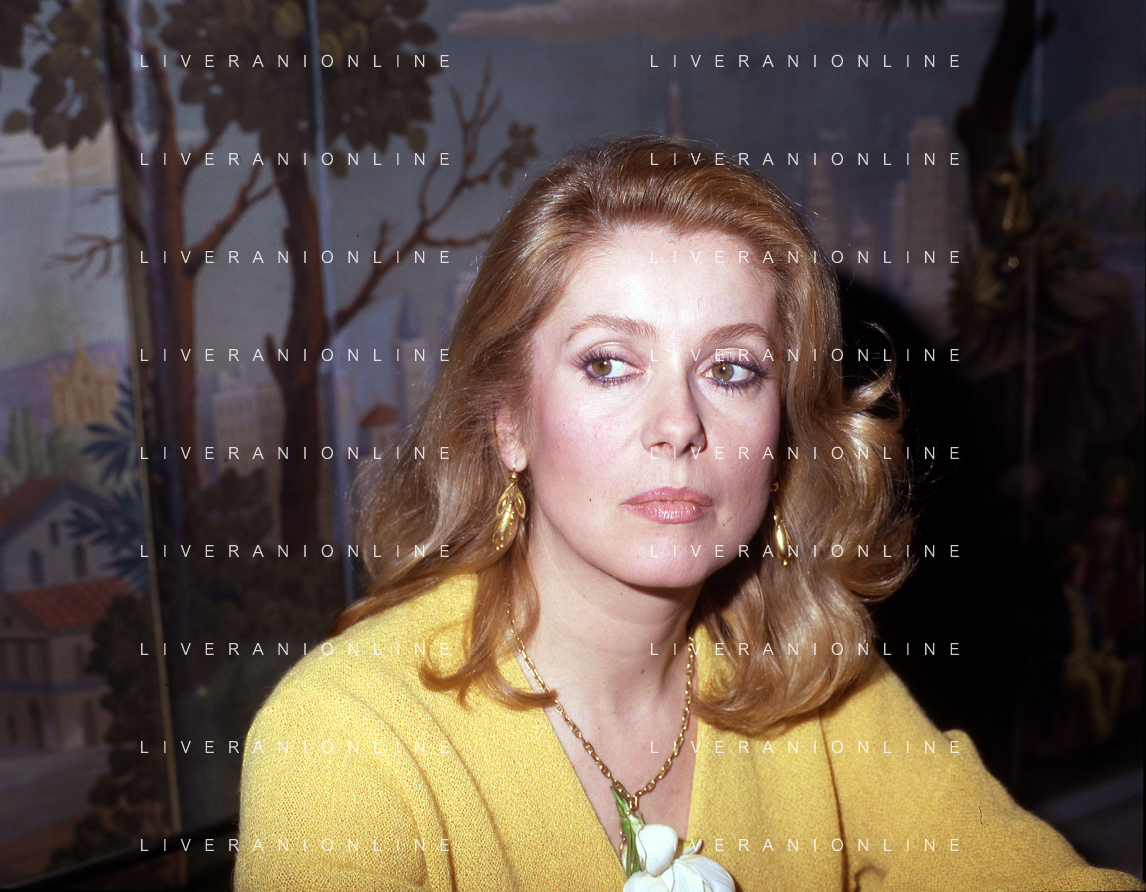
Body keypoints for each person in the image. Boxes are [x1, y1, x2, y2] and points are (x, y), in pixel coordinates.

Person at [233, 136, 1144, 892]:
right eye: (608, 364)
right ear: (506, 420)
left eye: (732, 369)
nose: (678, 425)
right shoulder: (346, 738)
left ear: (784, 431)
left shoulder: (810, 679)